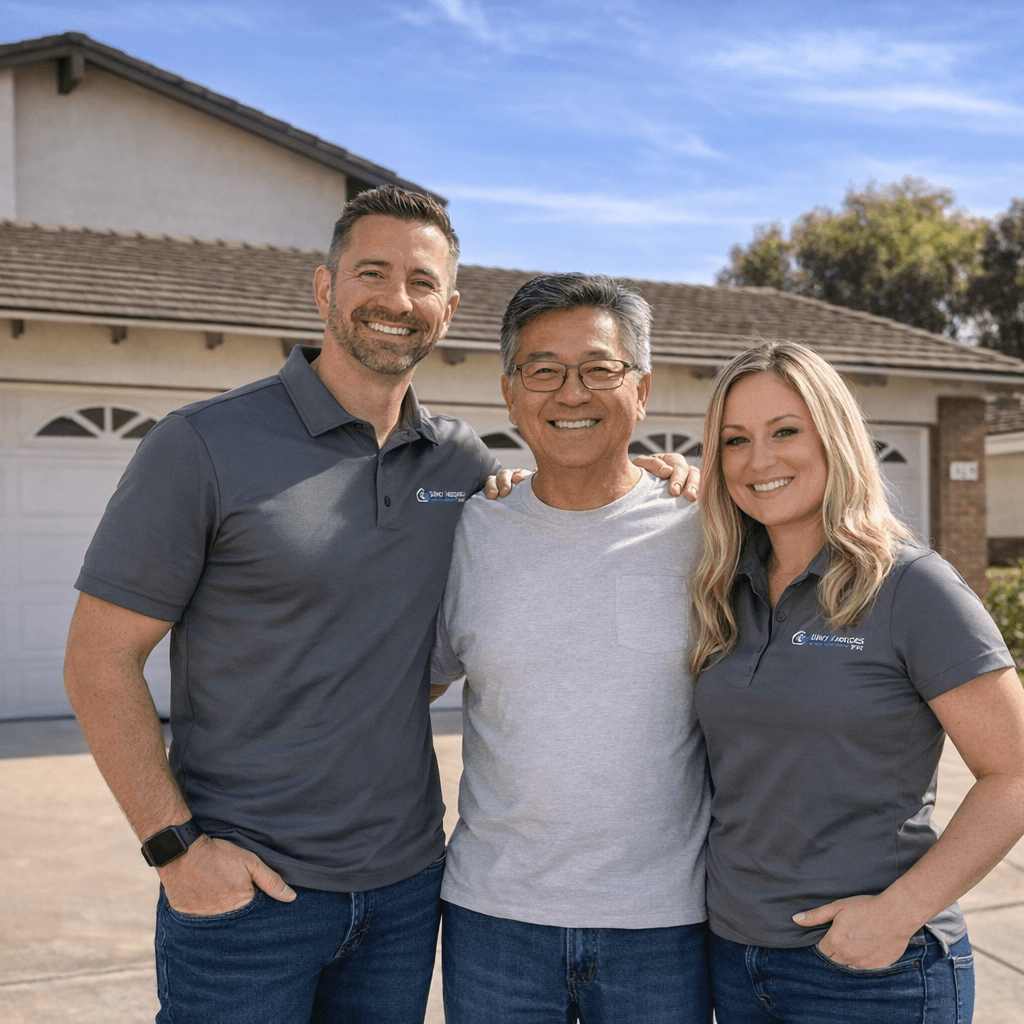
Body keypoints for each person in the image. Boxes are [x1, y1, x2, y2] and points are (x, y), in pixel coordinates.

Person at [63, 187, 696, 1024]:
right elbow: (97, 661)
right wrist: (175, 849)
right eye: (373, 273)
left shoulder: (462, 467)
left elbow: (528, 543)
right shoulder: (203, 445)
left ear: (448, 308)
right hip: (245, 893)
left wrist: (659, 476)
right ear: (325, 288)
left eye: (422, 282)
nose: (397, 300)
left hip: (405, 895)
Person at [689, 339, 1024, 1024]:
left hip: (871, 971)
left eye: (786, 431)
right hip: (732, 957)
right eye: (735, 440)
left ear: (835, 438)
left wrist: (896, 914)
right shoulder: (723, 588)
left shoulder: (910, 585)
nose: (760, 460)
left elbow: (1014, 773)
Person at [432, 273, 712, 1024]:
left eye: (598, 369)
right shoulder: (467, 532)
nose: (571, 393)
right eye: (544, 371)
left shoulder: (707, 529)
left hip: (666, 921)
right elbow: (394, 688)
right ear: (511, 394)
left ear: (642, 389)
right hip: (494, 919)